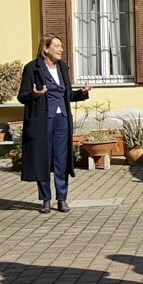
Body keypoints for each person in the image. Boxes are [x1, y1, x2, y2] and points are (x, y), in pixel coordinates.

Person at [18, 35, 90, 214]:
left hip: (62, 119)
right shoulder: (32, 68)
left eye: (61, 46)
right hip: (42, 120)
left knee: (61, 159)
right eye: (57, 46)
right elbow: (22, 96)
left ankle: (62, 199)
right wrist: (34, 95)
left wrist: (81, 93)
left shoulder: (62, 68)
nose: (61, 49)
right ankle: (45, 200)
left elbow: (67, 95)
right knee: (43, 158)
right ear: (46, 48)